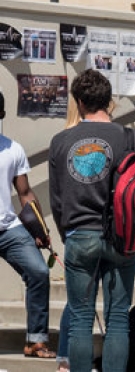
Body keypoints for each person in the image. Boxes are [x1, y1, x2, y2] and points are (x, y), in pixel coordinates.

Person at [49, 69, 135, 372]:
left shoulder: (60, 142)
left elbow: (57, 201)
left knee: (81, 318)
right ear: (109, 102)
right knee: (118, 318)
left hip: (80, 234)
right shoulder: (131, 137)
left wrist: (67, 234)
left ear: (79, 102)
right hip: (122, 239)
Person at [0, 91, 55, 360]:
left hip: (9, 228)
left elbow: (25, 193)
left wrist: (40, 230)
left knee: (39, 272)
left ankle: (36, 340)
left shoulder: (13, 149)